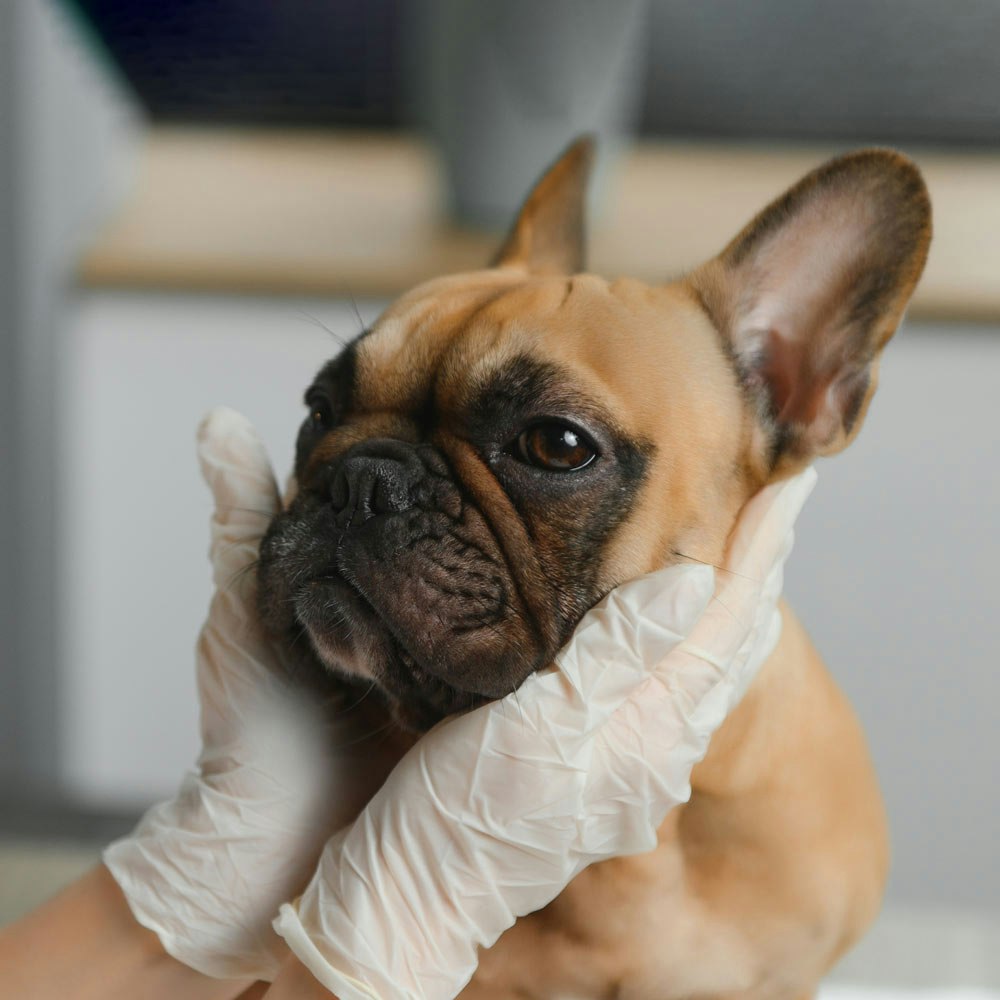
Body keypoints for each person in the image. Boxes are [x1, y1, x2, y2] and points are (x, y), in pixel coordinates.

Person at [0, 408, 814, 1000]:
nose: (371, 490)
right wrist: (203, 896)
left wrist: (159, 940)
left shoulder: (802, 856)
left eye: (553, 447)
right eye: (334, 412)